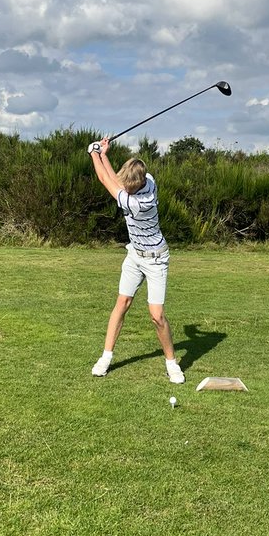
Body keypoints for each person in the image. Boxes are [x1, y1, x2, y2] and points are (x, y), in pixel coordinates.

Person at [87, 137, 185, 384]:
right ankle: (106, 357)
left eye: (129, 187)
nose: (126, 190)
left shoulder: (138, 202)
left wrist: (93, 152)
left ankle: (171, 364)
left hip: (156, 259)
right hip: (135, 255)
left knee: (156, 315)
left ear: (139, 185)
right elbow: (116, 180)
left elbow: (104, 180)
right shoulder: (148, 178)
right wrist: (104, 154)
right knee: (122, 302)